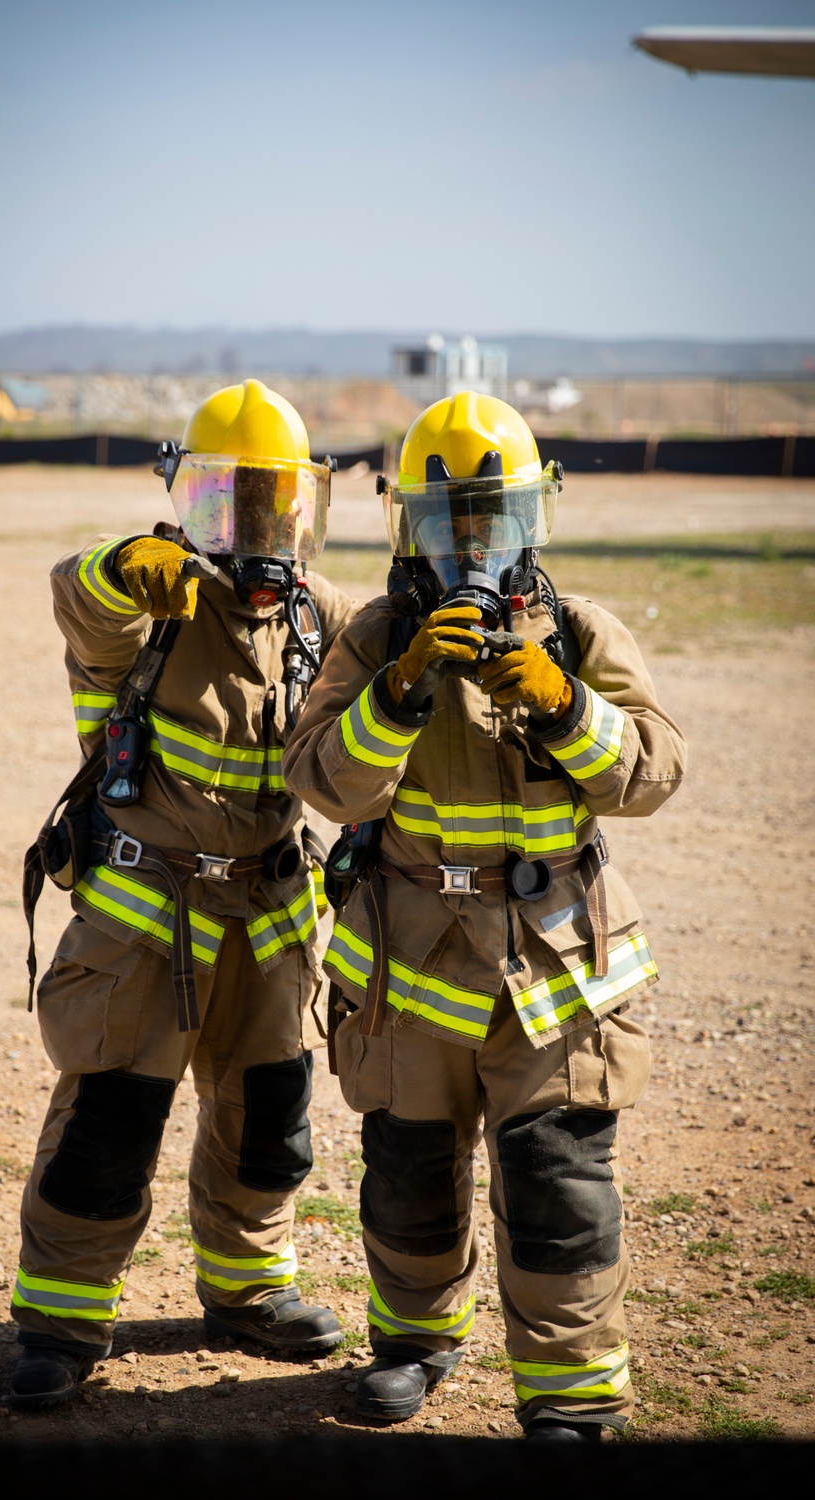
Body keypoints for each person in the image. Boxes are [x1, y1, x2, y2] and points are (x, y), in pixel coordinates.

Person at [282, 392, 687, 1442]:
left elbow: (649, 775)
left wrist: (564, 704)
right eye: (445, 519)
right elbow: (327, 783)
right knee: (409, 1177)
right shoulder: (376, 637)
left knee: (559, 1185)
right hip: (408, 980)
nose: (468, 543)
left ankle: (571, 1393)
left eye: (491, 518)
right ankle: (413, 1346)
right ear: (407, 524)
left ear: (529, 522)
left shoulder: (582, 631)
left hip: (555, 976)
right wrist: (402, 690)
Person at [9, 379, 357, 1409]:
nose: (254, 533)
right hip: (144, 926)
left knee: (269, 1124)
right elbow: (82, 597)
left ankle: (249, 1289)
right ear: (190, 505)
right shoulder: (154, 603)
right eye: (228, 505)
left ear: (303, 510)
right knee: (107, 1125)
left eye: (273, 504)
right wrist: (123, 563)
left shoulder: (323, 615)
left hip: (272, 922)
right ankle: (62, 1319)